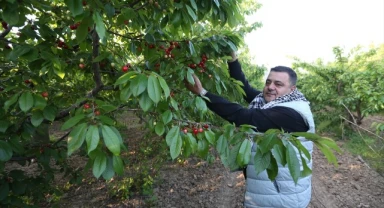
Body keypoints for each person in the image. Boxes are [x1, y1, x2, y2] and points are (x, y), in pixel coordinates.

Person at [185, 52, 315, 208]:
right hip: (269, 193)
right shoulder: (272, 101)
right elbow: (245, 88)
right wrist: (233, 60)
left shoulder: (289, 112)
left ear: (292, 89)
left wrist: (202, 93)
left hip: (281, 199)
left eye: (278, 84)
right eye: (268, 82)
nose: (270, 87)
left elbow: (242, 116)